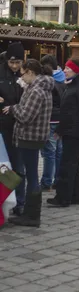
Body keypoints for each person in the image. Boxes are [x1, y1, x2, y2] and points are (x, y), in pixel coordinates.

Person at [4, 59, 53, 227]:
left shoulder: (37, 91)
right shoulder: (37, 88)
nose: (21, 78)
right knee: (31, 174)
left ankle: (32, 215)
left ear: (31, 72)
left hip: (30, 137)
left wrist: (12, 108)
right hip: (31, 137)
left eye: (23, 74)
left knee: (32, 176)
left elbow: (25, 116)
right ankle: (29, 213)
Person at [47, 58, 79, 208]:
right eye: (65, 67)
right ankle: (75, 195)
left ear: (76, 70)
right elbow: (66, 111)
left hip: (76, 132)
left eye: (68, 68)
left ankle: (63, 197)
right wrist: (60, 130)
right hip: (67, 130)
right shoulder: (71, 85)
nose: (65, 70)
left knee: (67, 164)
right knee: (73, 164)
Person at [0, 42, 24, 214]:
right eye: (11, 62)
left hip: (20, 126)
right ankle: (5, 199)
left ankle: (20, 202)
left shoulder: (27, 73)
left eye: (17, 63)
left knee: (18, 166)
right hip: (3, 126)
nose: (14, 66)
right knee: (4, 166)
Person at [40, 55, 66, 191]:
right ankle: (57, 180)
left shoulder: (48, 83)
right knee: (58, 151)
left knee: (49, 152)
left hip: (50, 119)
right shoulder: (63, 80)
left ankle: (46, 181)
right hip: (60, 119)